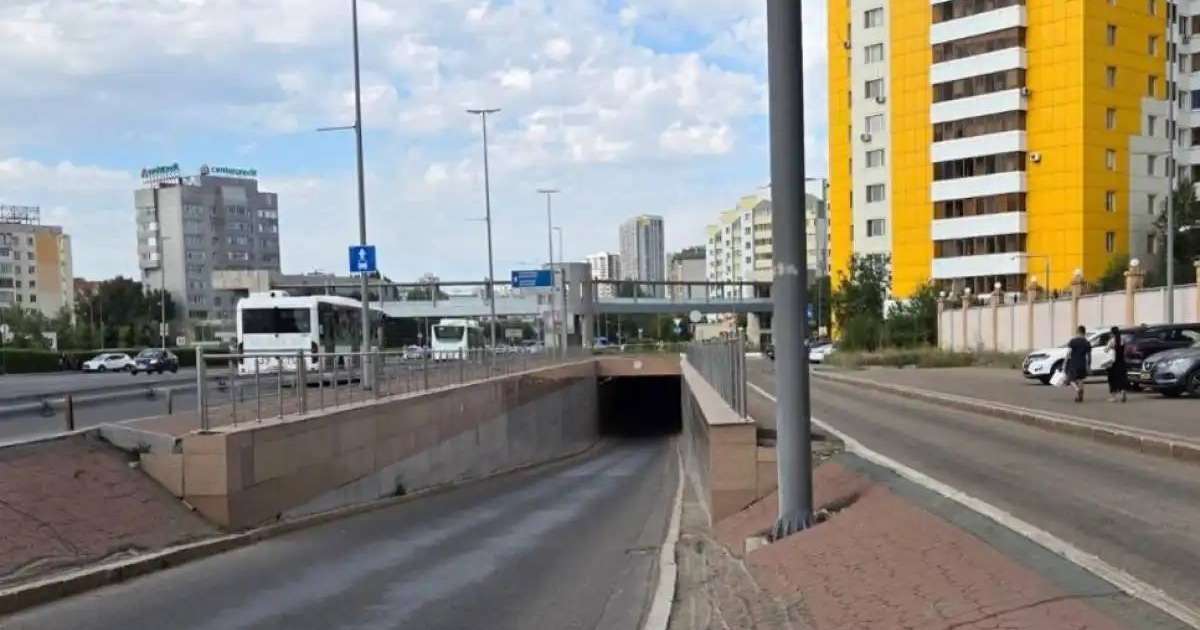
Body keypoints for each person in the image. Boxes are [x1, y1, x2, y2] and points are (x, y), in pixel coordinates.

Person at [1066, 325, 1091, 403]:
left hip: (1074, 363)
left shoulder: (1073, 341)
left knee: (1070, 379)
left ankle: (1077, 390)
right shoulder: (1087, 342)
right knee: (1081, 379)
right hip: (1082, 363)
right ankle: (1080, 397)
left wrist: (1065, 362)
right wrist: (1089, 365)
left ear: (1078, 331)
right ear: (1084, 332)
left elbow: (1068, 353)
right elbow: (1089, 355)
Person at [1105, 326, 1127, 403]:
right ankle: (1122, 391)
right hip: (1122, 361)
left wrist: (1110, 348)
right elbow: (1125, 350)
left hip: (1113, 363)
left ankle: (1114, 397)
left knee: (1112, 379)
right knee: (1121, 378)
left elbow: (1106, 350)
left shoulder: (1112, 341)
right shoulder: (1123, 339)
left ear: (1112, 333)